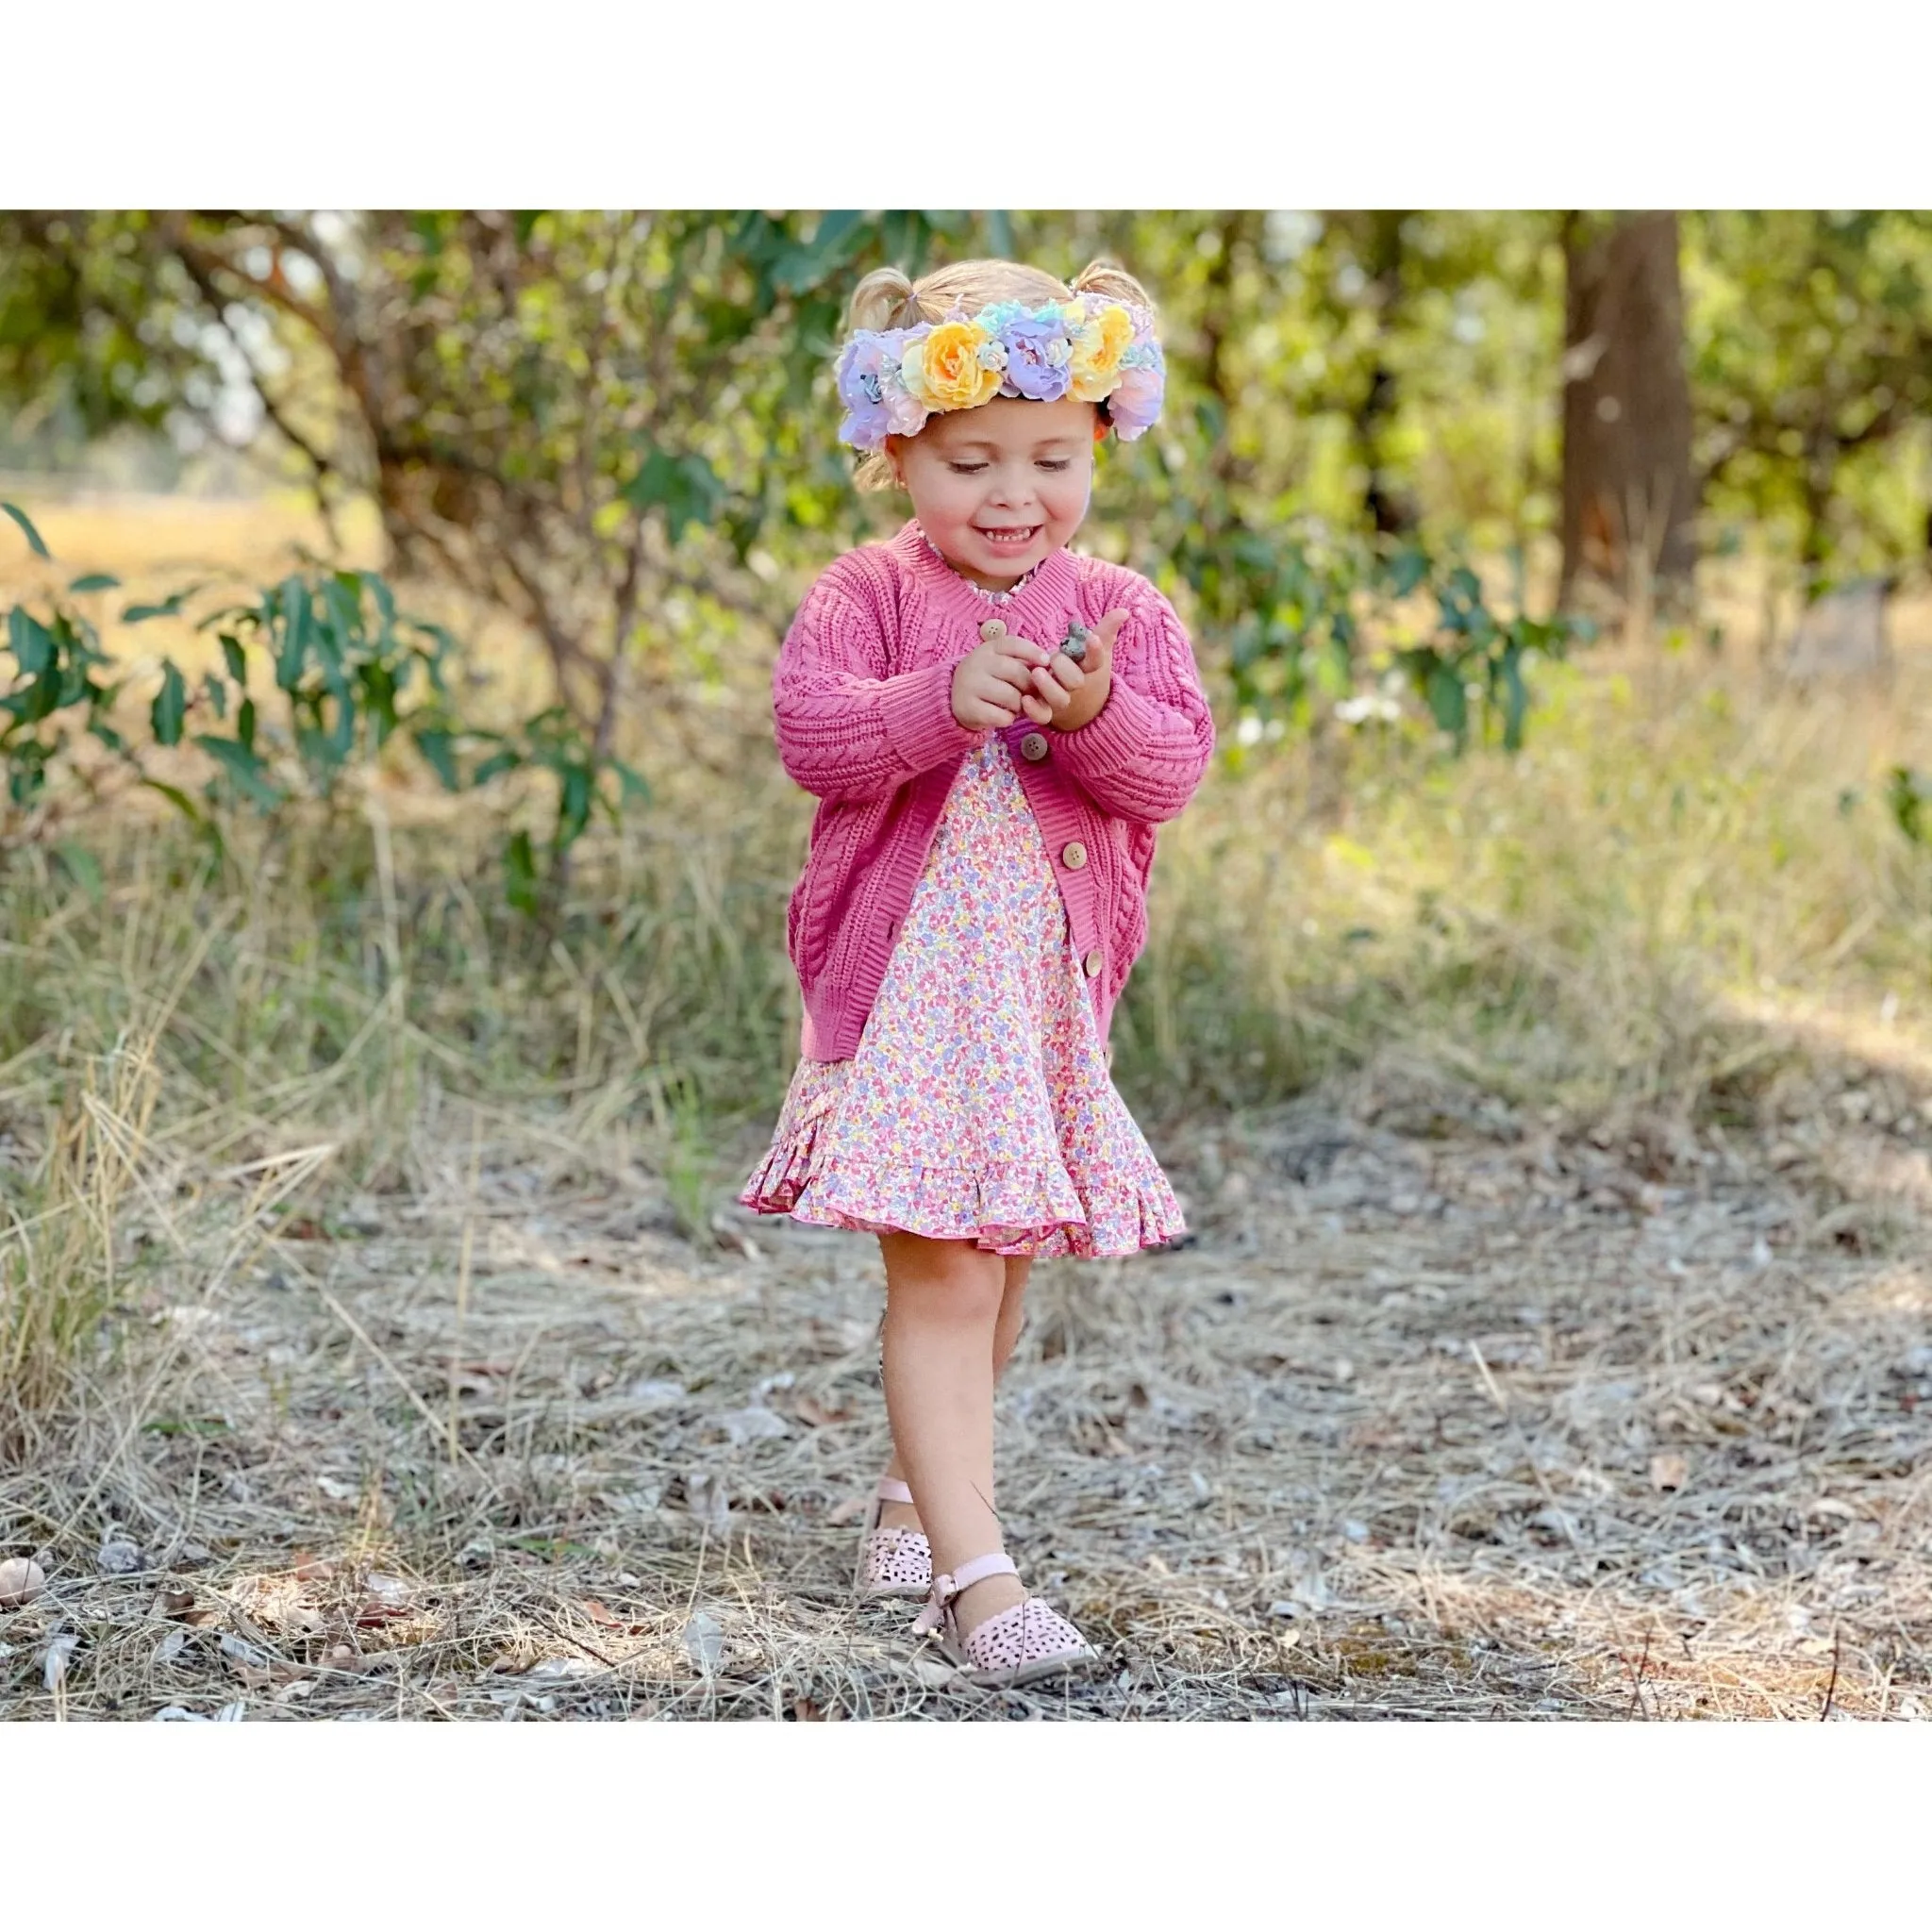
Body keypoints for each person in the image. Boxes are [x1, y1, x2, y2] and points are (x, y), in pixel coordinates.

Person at [739, 255, 1213, 1686]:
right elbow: (813, 736)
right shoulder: (867, 591)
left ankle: (907, 1496)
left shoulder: (1119, 606)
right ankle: (977, 1578)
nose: (1015, 493)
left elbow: (1171, 770)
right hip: (906, 999)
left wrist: (1091, 715)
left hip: (1038, 997)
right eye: (971, 461)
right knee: (943, 1273)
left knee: (999, 1267)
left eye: (1053, 458)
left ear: (1103, 442)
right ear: (898, 453)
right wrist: (931, 705)